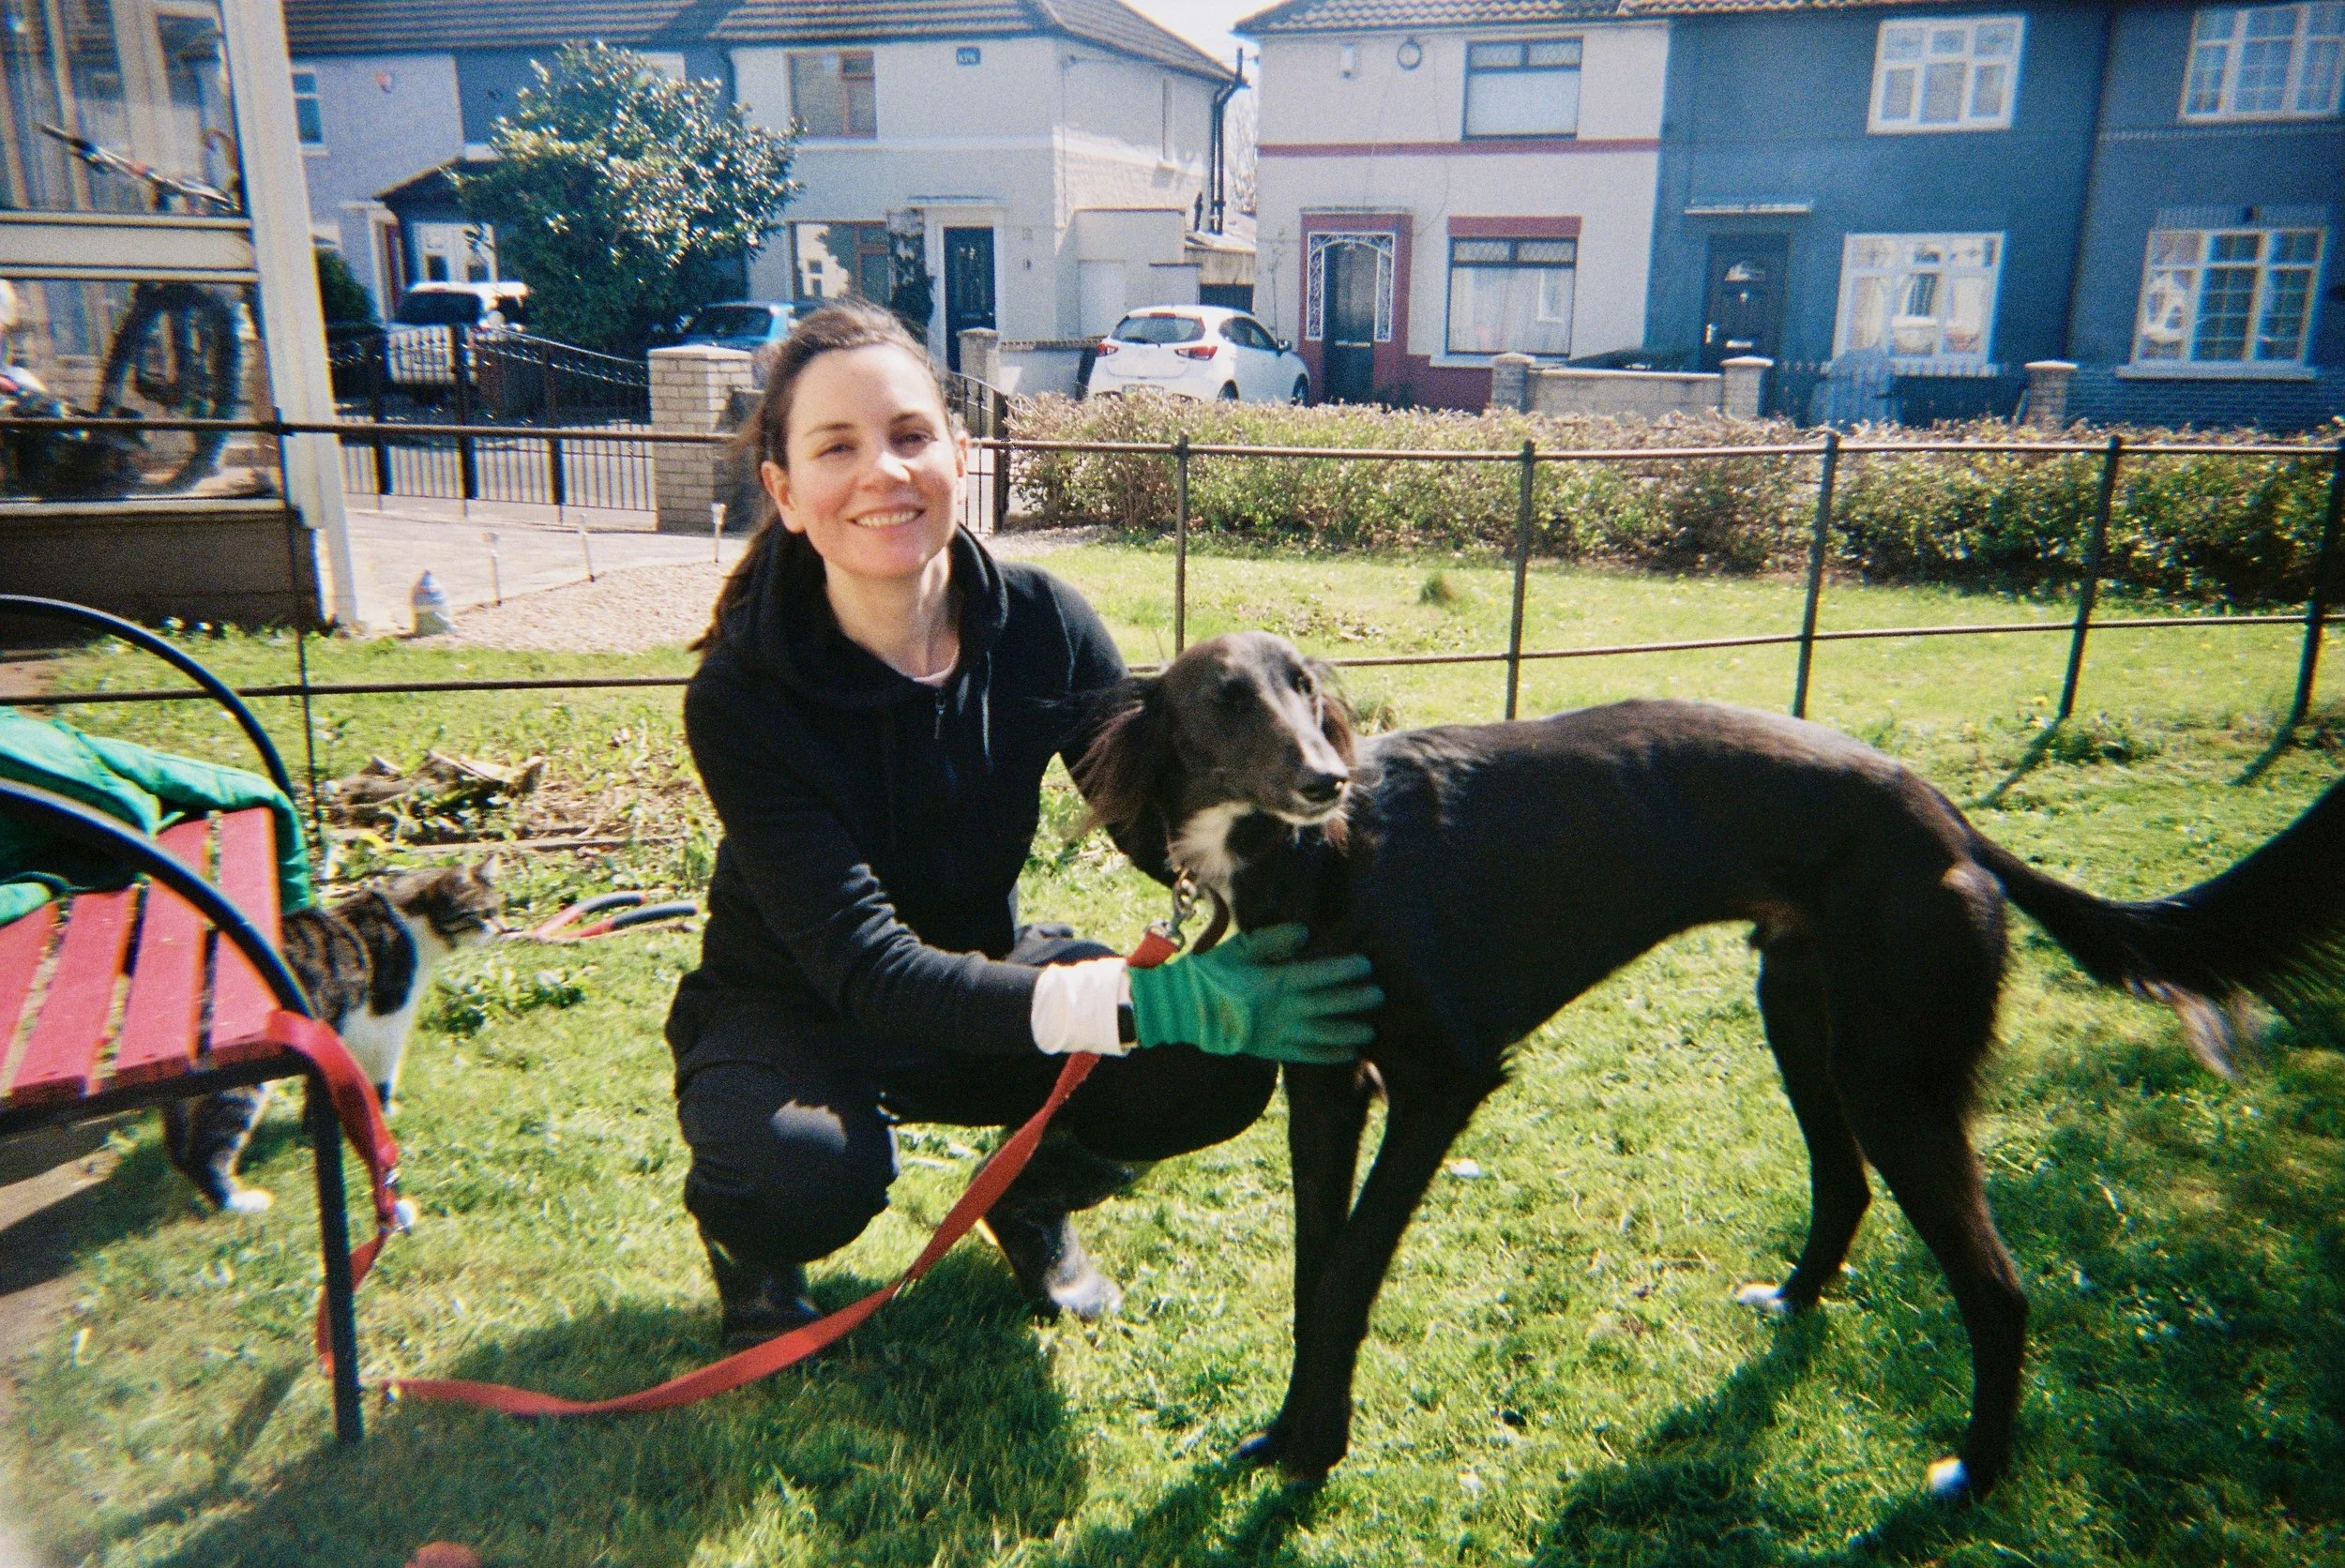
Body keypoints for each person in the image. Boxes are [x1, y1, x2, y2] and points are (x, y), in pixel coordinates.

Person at [669, 299, 1381, 1348]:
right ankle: (753, 1245)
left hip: (981, 979)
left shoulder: (1041, 623)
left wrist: (1298, 835)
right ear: (783, 487)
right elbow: (868, 970)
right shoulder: (739, 697)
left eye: (911, 436)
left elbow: (1154, 824)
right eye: (837, 447)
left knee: (1214, 1066)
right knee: (803, 1167)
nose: (884, 472)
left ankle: (1028, 1193)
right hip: (796, 1007)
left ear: (959, 452)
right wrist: (1149, 998)